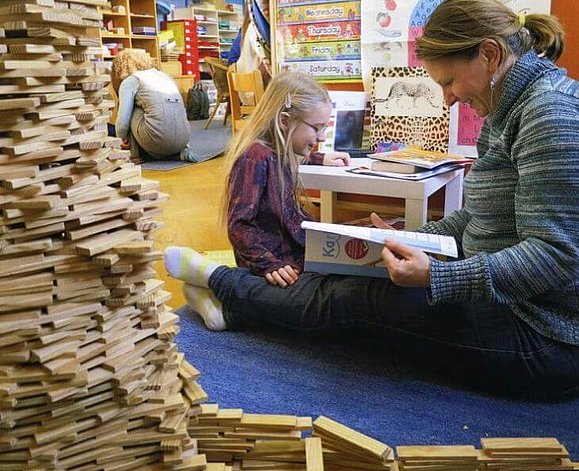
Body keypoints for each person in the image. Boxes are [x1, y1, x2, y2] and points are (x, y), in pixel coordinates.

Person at [164, 0, 579, 397]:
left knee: (357, 301)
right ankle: (231, 298)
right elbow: (477, 217)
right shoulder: (506, 107)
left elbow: (556, 257)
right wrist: (409, 237)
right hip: (504, 298)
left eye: (449, 81)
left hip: (543, 335)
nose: (448, 98)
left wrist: (437, 276)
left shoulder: (549, 115)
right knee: (356, 276)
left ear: (490, 55)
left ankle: (221, 285)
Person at [165, 72, 350, 322]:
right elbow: (239, 224)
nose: (321, 137)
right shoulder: (254, 157)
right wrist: (268, 264)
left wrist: (320, 157)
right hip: (270, 262)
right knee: (305, 303)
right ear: (285, 120)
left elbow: (295, 152)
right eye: (316, 128)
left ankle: (223, 301)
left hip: (289, 254)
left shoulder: (280, 148)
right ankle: (219, 296)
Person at [111, 49, 194, 161]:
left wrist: (121, 139)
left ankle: (134, 155)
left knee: (132, 108)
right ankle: (173, 151)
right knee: (162, 106)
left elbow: (123, 120)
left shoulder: (131, 80)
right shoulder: (165, 76)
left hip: (156, 140)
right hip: (183, 140)